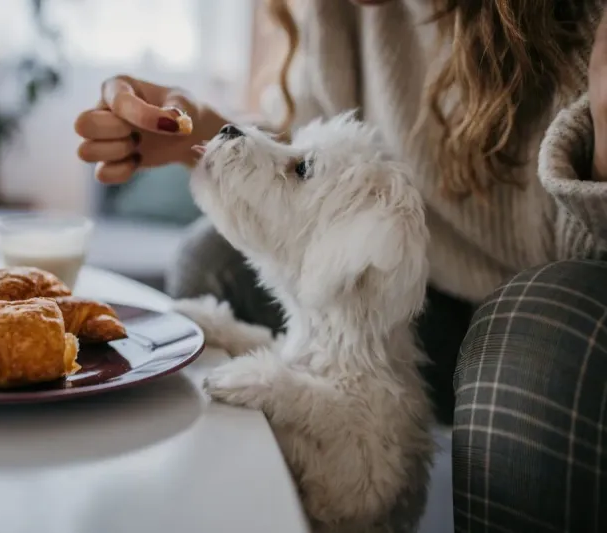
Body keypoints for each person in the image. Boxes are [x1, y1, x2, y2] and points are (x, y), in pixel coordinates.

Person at [75, 1, 607, 531]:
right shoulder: (337, 13)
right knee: (208, 258)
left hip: (536, 300)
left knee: (533, 329)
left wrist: (600, 152)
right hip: (396, 298)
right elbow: (312, 164)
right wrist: (199, 130)